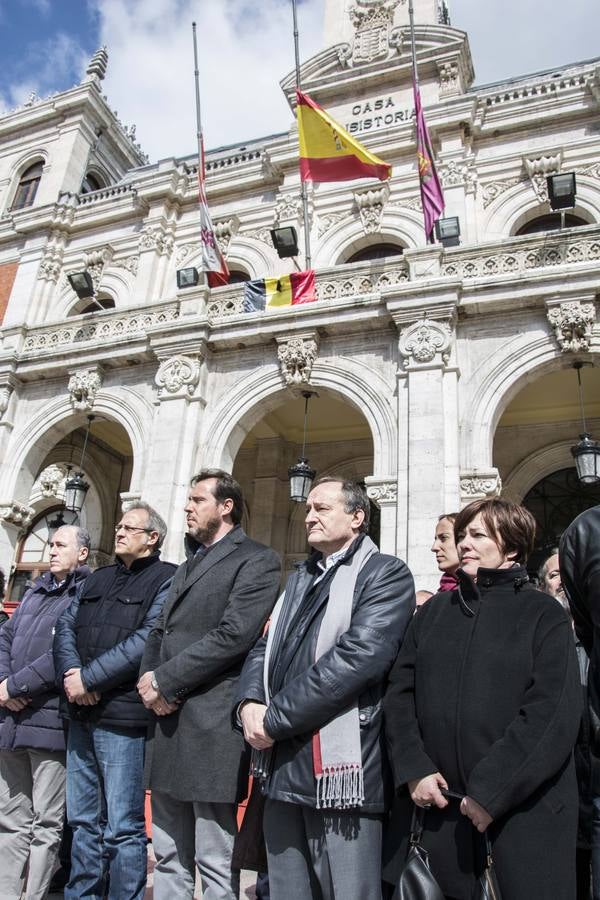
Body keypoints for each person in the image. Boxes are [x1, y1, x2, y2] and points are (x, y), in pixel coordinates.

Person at [384, 497, 582, 900]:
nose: (464, 544)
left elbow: (550, 715)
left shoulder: (544, 615)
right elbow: (399, 695)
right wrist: (413, 769)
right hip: (436, 815)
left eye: (477, 535)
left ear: (510, 546)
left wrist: (489, 791)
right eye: (462, 536)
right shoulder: (433, 612)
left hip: (519, 816)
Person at [237, 476, 415, 900]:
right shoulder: (300, 575)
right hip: (280, 764)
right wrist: (248, 703)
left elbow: (357, 660)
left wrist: (274, 719)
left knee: (347, 891)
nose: (308, 515)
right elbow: (265, 646)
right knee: (286, 890)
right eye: (308, 508)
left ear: (357, 517)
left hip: (342, 768)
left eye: (322, 508)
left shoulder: (386, 574)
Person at [137, 469, 280, 900]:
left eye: (197, 500)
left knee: (214, 860)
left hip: (210, 726)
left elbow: (235, 635)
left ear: (226, 506)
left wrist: (165, 680)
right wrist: (149, 684)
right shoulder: (189, 562)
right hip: (166, 724)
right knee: (167, 854)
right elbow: (159, 630)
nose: (187, 507)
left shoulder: (256, 559)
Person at [54, 502, 176, 900]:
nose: (119, 531)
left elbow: (146, 639)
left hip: (120, 718)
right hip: (79, 712)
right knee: (83, 819)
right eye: (118, 525)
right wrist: (74, 677)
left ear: (152, 538)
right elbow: (66, 626)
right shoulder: (97, 578)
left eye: (129, 527)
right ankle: (82, 893)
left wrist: (90, 678)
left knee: (123, 825)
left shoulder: (166, 579)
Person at [0, 525, 90, 900]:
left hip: (50, 722)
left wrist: (16, 687)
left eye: (60, 545)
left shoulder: (84, 594)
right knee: (9, 819)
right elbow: (5, 637)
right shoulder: (35, 591)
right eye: (50, 544)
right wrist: (4, 685)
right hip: (12, 721)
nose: (51, 551)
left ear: (82, 553)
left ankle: (32, 895)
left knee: (46, 822)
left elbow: (64, 653)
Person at [540, 547, 592, 900]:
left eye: (568, 572)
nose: (563, 582)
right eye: (554, 575)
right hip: (558, 793)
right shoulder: (539, 636)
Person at [431, 512, 460, 591]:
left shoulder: (491, 592)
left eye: (444, 537)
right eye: (436, 539)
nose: (434, 547)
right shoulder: (438, 597)